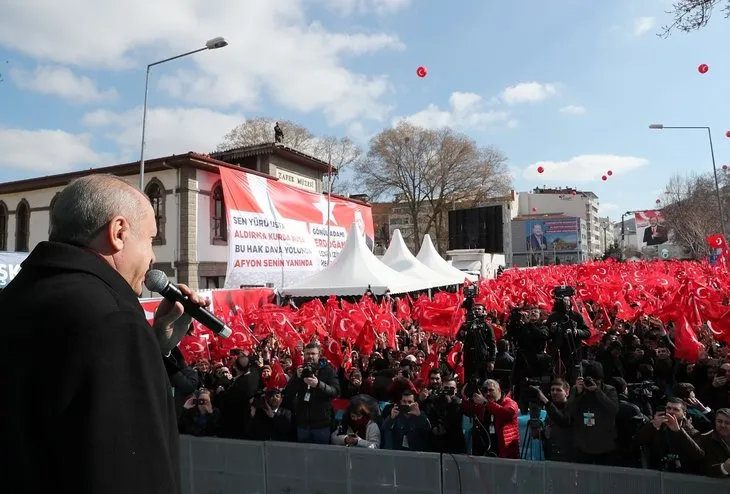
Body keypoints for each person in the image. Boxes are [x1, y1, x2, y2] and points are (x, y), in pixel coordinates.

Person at [0, 174, 209, 494]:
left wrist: (155, 349)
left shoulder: (15, 298)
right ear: (119, 232)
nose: (153, 257)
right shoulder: (114, 320)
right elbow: (129, 468)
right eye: (151, 239)